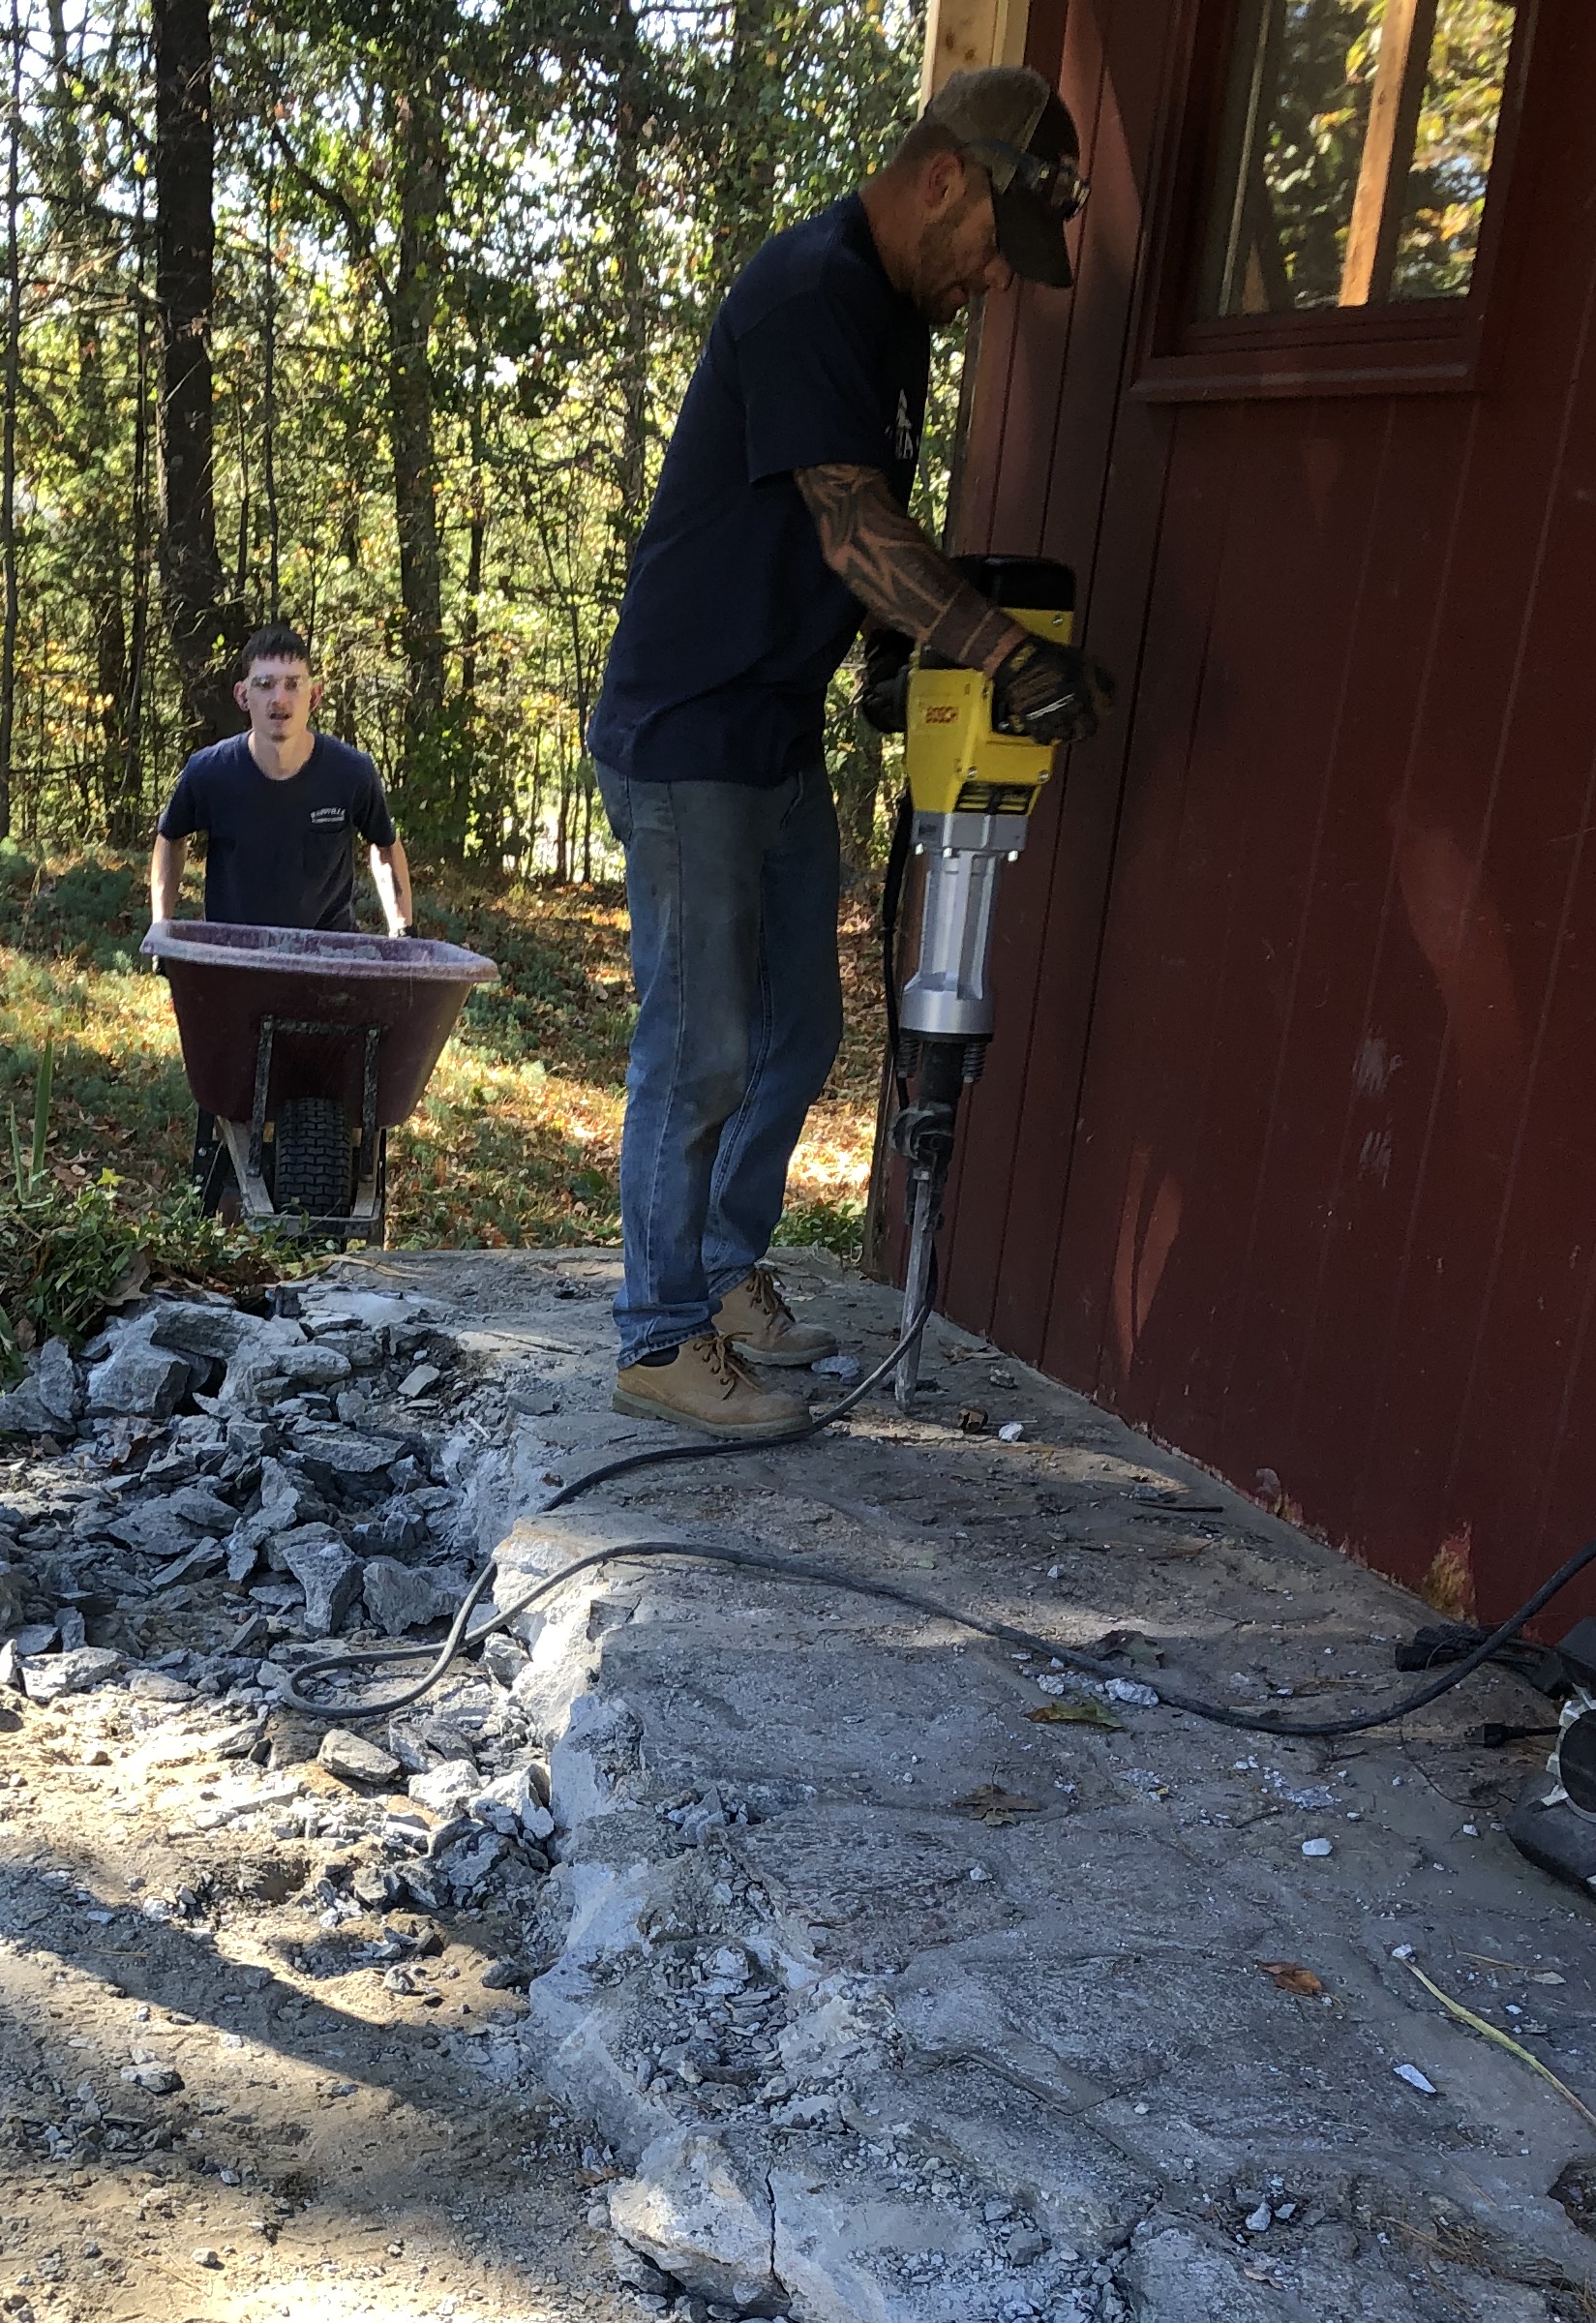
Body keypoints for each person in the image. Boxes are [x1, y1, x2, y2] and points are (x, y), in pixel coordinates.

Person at [587, 66, 1107, 1435]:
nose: (996, 279)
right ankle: (657, 1339)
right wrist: (1006, 654)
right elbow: (849, 523)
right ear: (943, 179)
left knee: (799, 1029)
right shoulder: (811, 291)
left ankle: (716, 1270)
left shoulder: (889, 321)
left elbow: (855, 525)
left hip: (768, 726)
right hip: (689, 730)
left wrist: (888, 648)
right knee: (699, 1045)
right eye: (995, 244)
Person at [150, 626, 414, 937]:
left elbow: (384, 845)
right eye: (265, 684)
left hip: (329, 951)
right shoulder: (209, 772)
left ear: (314, 696)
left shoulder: (351, 772)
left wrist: (403, 929)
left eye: (293, 684)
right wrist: (161, 927)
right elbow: (170, 837)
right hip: (232, 953)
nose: (279, 699)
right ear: (242, 696)